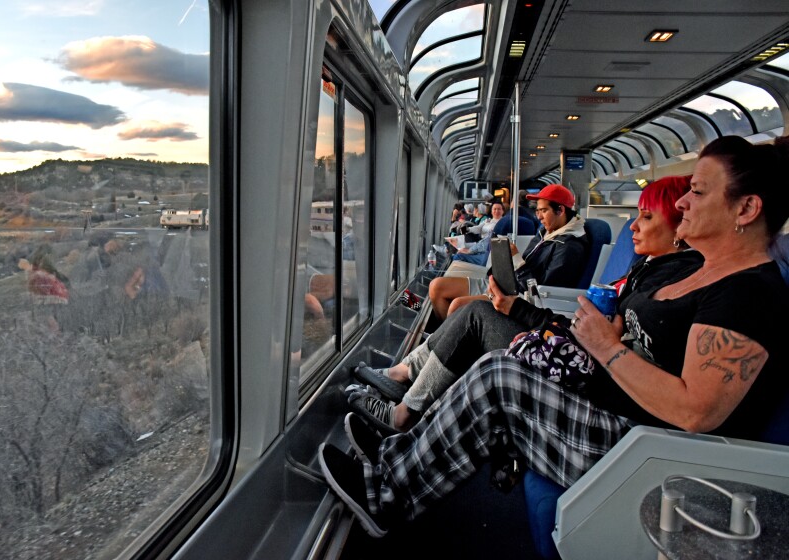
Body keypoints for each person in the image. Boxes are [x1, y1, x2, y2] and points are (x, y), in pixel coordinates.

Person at [322, 135, 789, 538]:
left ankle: (386, 494)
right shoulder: (699, 276)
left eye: (699, 192)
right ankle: (393, 456)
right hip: (611, 411)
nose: (683, 202)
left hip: (647, 456)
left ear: (746, 209)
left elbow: (696, 411)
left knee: (500, 378)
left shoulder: (748, 294)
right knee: (498, 362)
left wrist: (605, 347)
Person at [349, 175, 700, 433]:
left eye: (647, 217)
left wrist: (520, 295)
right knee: (473, 310)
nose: (634, 227)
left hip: (590, 374)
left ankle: (406, 409)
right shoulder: (646, 271)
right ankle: (408, 378)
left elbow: (555, 290)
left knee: (470, 314)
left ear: (679, 225)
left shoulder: (576, 250)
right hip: (578, 350)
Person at [429, 185, 588, 321]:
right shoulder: (545, 232)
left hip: (517, 298)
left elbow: (538, 292)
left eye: (544, 211)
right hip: (508, 283)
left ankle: (444, 347)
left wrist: (516, 260)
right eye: (537, 210)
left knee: (457, 305)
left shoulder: (569, 247)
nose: (538, 216)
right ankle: (441, 341)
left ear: (560, 210)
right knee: (436, 286)